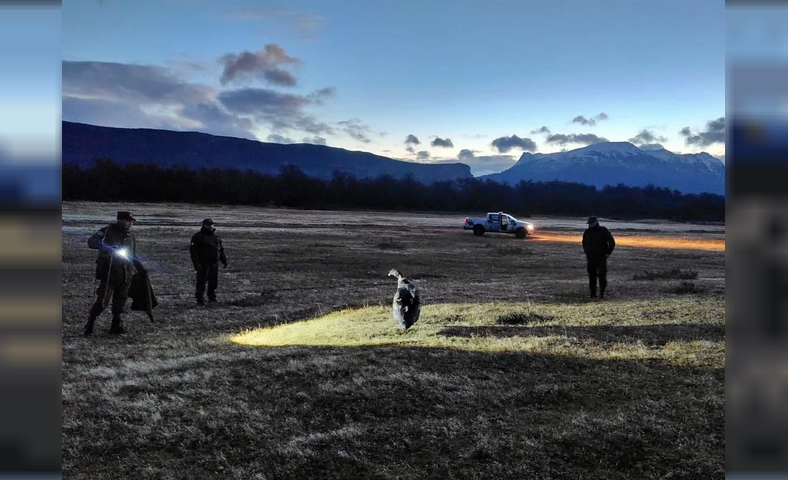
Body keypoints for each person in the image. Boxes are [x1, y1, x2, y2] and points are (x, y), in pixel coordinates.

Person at [84, 211, 147, 336]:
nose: (129, 224)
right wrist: (107, 248)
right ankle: (90, 323)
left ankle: (115, 325)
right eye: (127, 221)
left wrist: (141, 269)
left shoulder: (131, 236)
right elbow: (91, 242)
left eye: (130, 222)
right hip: (110, 274)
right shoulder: (107, 231)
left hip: (125, 274)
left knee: (120, 302)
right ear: (120, 220)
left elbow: (133, 255)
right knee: (102, 302)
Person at [190, 218, 228, 305]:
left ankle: (212, 297)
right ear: (204, 225)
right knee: (202, 281)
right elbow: (193, 252)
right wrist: (196, 264)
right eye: (208, 225)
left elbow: (220, 250)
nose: (210, 226)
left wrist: (224, 261)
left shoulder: (216, 238)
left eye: (211, 224)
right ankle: (200, 298)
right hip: (203, 263)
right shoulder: (198, 237)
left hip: (214, 263)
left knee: (213, 281)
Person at [582, 215, 615, 299]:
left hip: (601, 256)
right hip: (590, 257)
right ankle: (592, 293)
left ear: (596, 222)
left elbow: (611, 242)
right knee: (591, 276)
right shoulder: (587, 232)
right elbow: (584, 242)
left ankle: (602, 293)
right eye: (589, 223)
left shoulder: (603, 230)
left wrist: (608, 252)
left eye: (591, 223)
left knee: (602, 276)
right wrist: (586, 250)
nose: (590, 225)